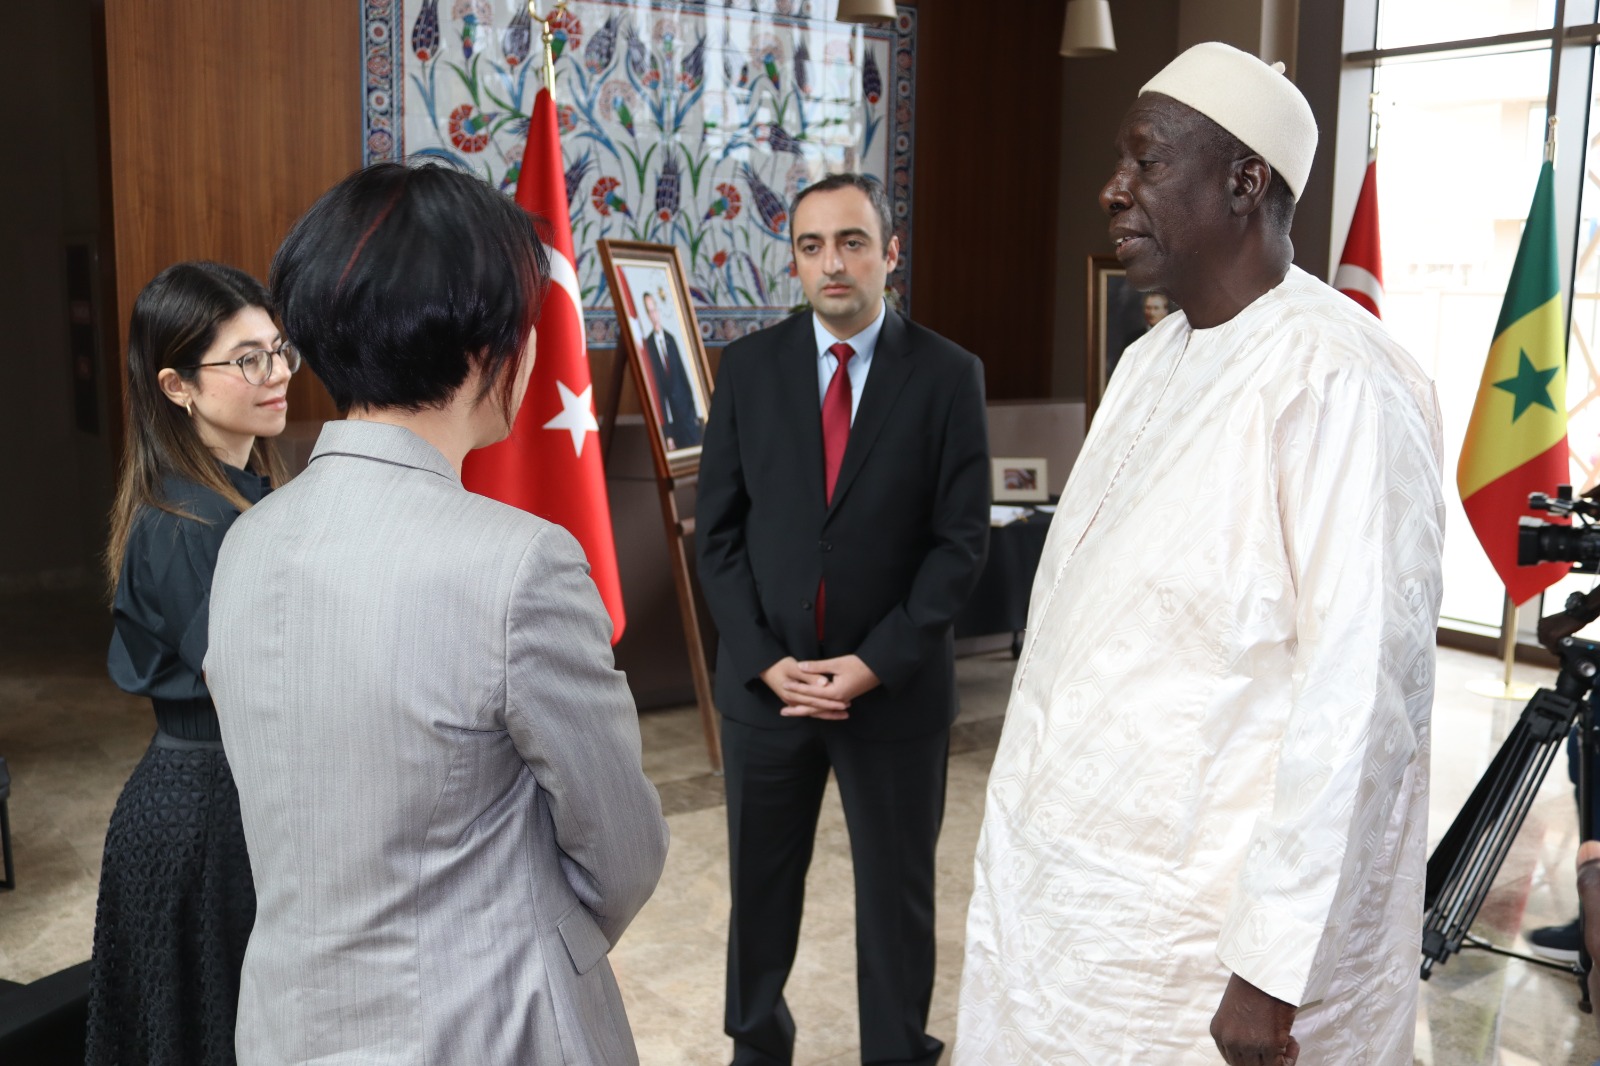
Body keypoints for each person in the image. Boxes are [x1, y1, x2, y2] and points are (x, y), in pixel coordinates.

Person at [958, 42, 1445, 1066]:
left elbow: (1360, 696)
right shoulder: (1148, 360)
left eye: (1145, 161)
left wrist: (1271, 965)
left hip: (1199, 942)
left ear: (1244, 180)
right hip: (1072, 904)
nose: (1112, 189)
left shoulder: (1339, 377)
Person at [204, 163, 669, 1065]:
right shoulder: (520, 565)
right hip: (485, 1025)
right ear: (489, 350)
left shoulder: (247, 541)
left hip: (287, 1024)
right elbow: (622, 849)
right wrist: (528, 938)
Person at [696, 172, 990, 1065]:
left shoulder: (948, 375)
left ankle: (897, 1052)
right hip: (769, 690)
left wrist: (873, 663)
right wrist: (762, 660)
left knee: (897, 901)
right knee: (760, 894)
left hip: (891, 694)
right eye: (812, 245)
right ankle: (757, 1048)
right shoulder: (748, 370)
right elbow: (719, 536)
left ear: (890, 254)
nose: (832, 263)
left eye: (853, 242)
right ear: (794, 260)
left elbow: (959, 547)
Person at [87, 260, 294, 1065]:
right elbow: (258, 683)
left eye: (279, 350)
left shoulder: (246, 490)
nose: (277, 374)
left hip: (236, 796)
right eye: (247, 359)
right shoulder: (183, 520)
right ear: (177, 386)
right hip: (201, 816)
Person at [641, 289, 704, 450]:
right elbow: (658, 390)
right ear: (647, 315)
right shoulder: (649, 345)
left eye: (654, 310)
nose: (653, 315)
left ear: (658, 310)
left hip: (687, 412)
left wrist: (693, 410)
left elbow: (682, 374)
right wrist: (668, 434)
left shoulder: (670, 339)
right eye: (649, 312)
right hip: (672, 419)